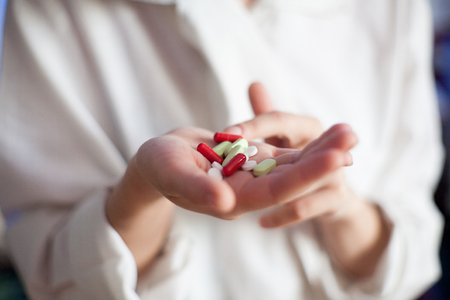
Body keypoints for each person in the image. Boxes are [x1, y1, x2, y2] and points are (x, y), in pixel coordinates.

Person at [0, 0, 444, 299]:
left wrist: (341, 207)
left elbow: (415, 252)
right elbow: (56, 279)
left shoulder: (393, 8)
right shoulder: (53, 11)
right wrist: (141, 190)